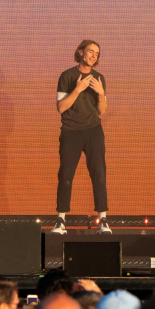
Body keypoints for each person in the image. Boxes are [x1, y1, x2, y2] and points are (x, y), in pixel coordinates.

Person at [53, 39, 110, 235]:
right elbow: (61, 108)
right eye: (90, 52)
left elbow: (101, 110)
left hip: (93, 131)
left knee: (99, 173)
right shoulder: (67, 76)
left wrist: (101, 93)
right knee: (66, 175)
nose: (93, 56)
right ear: (80, 53)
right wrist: (77, 89)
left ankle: (102, 220)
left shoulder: (99, 78)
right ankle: (61, 221)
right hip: (71, 131)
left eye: (97, 54)